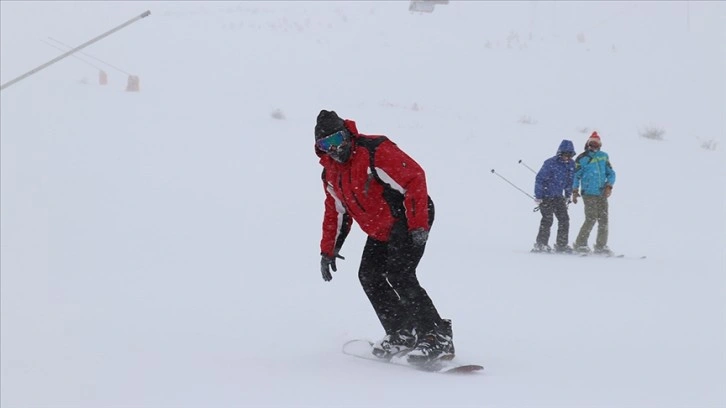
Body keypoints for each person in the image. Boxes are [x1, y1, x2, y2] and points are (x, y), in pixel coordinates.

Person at [314, 109, 454, 364]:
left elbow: (415, 178)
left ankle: (436, 336)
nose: (334, 148)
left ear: (347, 134)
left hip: (409, 216)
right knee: (368, 275)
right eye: (326, 144)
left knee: (400, 274)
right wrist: (328, 250)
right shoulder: (331, 173)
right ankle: (403, 331)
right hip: (380, 226)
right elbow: (336, 212)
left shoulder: (374, 150)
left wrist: (418, 225)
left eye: (337, 139)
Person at [571, 131, 617, 254]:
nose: (594, 146)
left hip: (601, 193)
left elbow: (611, 173)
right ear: (588, 144)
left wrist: (609, 186)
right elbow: (576, 176)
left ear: (600, 145)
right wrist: (574, 190)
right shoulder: (582, 158)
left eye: (596, 144)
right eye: (591, 143)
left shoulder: (604, 156)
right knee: (591, 218)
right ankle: (580, 244)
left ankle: (601, 246)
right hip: (588, 193)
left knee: (603, 219)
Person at [532, 140, 576, 253]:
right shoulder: (550, 163)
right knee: (547, 220)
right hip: (546, 196)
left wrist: (568, 195)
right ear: (560, 153)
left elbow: (570, 181)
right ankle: (541, 245)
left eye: (570, 155)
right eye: (565, 154)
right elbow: (539, 179)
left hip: (558, 197)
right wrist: (538, 196)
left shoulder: (571, 164)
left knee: (564, 220)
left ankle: (561, 245)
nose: (567, 157)